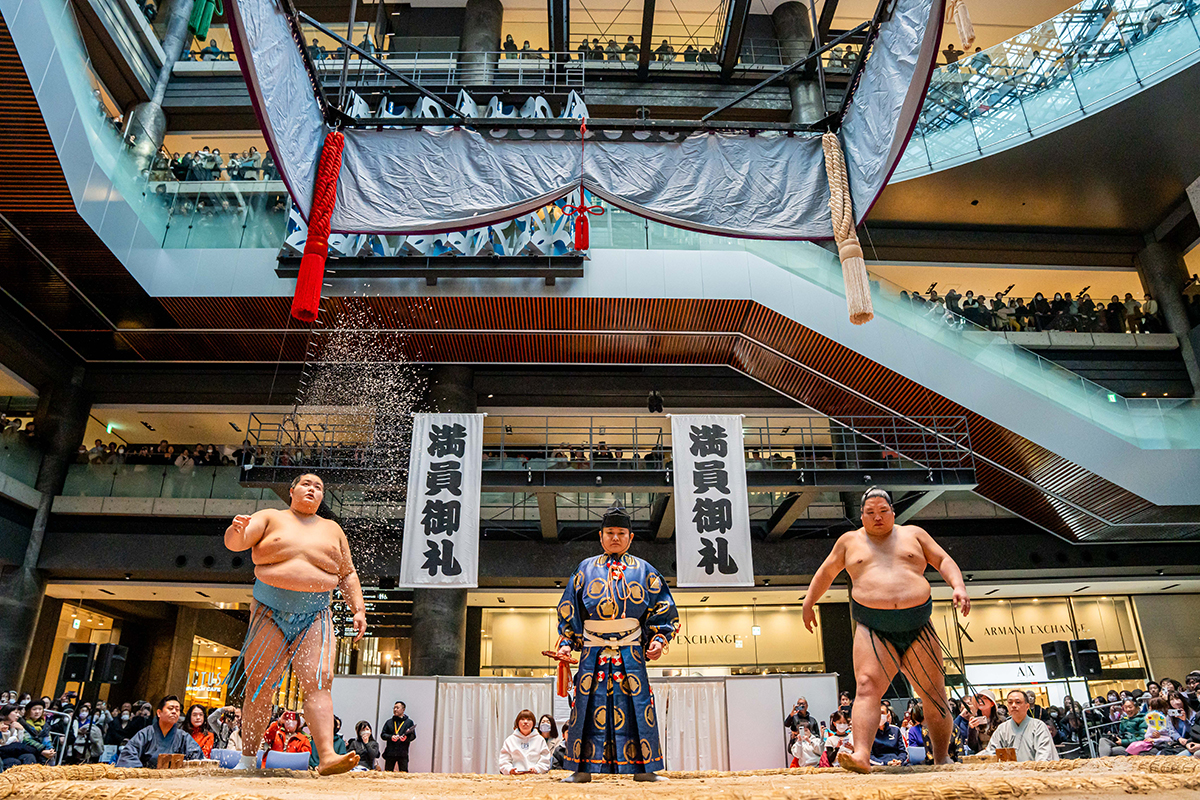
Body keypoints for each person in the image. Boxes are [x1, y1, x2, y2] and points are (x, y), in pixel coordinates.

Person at [802, 487, 969, 772]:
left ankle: (941, 757)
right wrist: (809, 602)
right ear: (862, 515)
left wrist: (959, 586)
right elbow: (826, 572)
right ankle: (862, 755)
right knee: (866, 688)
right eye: (870, 513)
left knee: (934, 692)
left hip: (918, 624)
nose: (877, 518)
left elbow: (942, 560)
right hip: (873, 626)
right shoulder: (848, 541)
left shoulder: (914, 534)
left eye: (883, 512)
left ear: (893, 512)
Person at [224, 472, 366, 775]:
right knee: (260, 685)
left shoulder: (332, 529)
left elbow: (348, 573)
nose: (313, 490)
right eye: (307, 484)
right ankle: (248, 758)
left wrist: (358, 608)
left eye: (319, 487)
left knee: (320, 682)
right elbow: (237, 544)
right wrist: (236, 531)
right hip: (268, 611)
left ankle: (327, 755)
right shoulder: (270, 517)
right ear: (292, 491)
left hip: (315, 615)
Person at [555, 500, 679, 782]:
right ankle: (582, 769)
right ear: (600, 536)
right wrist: (566, 641)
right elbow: (569, 608)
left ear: (630, 537)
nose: (615, 537)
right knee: (586, 706)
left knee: (636, 706)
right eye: (609, 532)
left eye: (621, 533)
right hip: (592, 651)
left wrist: (659, 639)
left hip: (631, 651)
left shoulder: (645, 570)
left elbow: (662, 608)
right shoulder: (584, 569)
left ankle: (644, 771)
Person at [116, 696, 204, 768]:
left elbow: (197, 758)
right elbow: (128, 756)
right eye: (170, 708)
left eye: (177, 710)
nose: (174, 712)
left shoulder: (184, 737)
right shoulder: (145, 734)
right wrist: (142, 773)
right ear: (159, 713)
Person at [981, 690, 1058, 761]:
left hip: (1034, 773)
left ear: (1027, 706)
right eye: (1010, 703)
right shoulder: (1002, 729)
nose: (1013, 705)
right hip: (1008, 774)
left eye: (1018, 702)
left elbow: (1044, 756)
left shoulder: (1038, 726)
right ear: (1007, 707)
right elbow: (991, 754)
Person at [499, 709, 553, 774]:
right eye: (522, 719)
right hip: (514, 777)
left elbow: (545, 759)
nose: (525, 722)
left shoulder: (540, 740)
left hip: (536, 777)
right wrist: (510, 770)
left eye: (529, 719)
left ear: (533, 723)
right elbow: (504, 760)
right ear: (517, 723)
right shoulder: (510, 740)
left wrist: (537, 769)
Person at [380, 701, 416, 772]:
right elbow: (383, 735)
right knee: (387, 773)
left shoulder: (409, 722)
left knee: (404, 774)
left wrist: (406, 739)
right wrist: (391, 737)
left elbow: (413, 736)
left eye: (397, 708)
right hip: (390, 753)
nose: (395, 710)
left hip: (403, 753)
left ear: (403, 709)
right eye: (394, 708)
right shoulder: (389, 722)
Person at [785, 696, 819, 765]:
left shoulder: (812, 720)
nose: (800, 706)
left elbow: (817, 735)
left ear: (807, 706)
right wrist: (791, 714)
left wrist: (810, 736)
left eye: (802, 704)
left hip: (810, 748)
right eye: (799, 704)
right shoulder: (794, 718)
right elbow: (786, 724)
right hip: (798, 746)